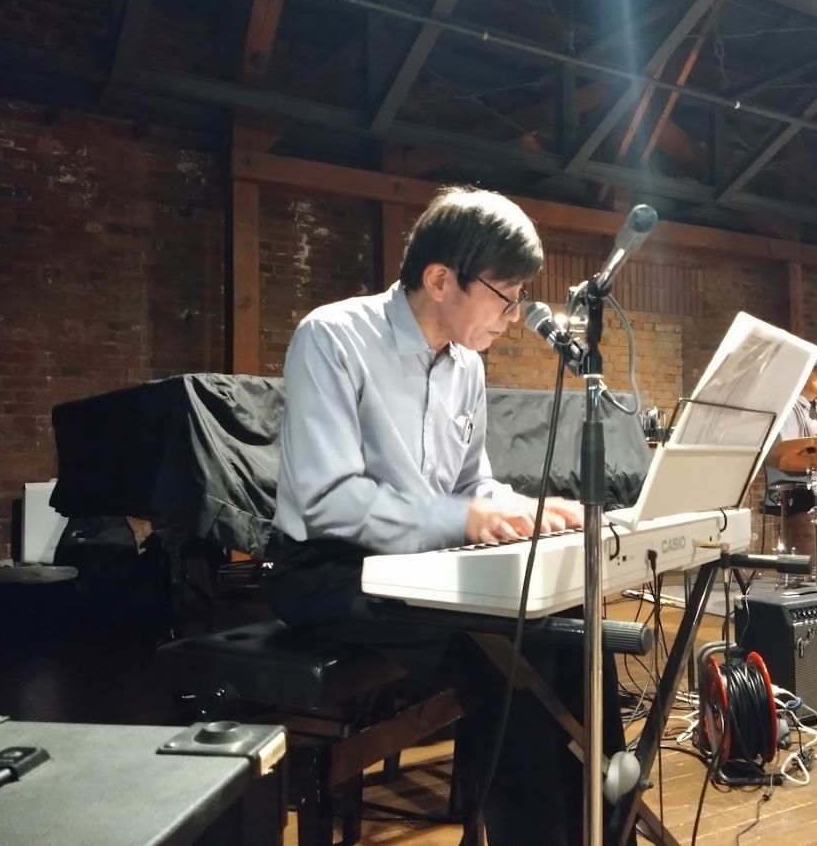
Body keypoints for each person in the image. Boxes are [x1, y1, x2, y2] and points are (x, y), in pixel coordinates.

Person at [263, 185, 626, 845]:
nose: (514, 315)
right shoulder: (333, 337)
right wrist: (462, 520)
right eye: (505, 295)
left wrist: (522, 508)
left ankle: (603, 834)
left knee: (576, 632)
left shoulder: (465, 367)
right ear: (439, 280)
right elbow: (328, 499)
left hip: (420, 564)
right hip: (326, 568)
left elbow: (471, 483)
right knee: (509, 650)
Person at [763, 352, 817, 513]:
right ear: (803, 374)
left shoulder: (812, 406)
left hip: (810, 488)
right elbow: (790, 456)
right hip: (791, 493)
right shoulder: (790, 407)